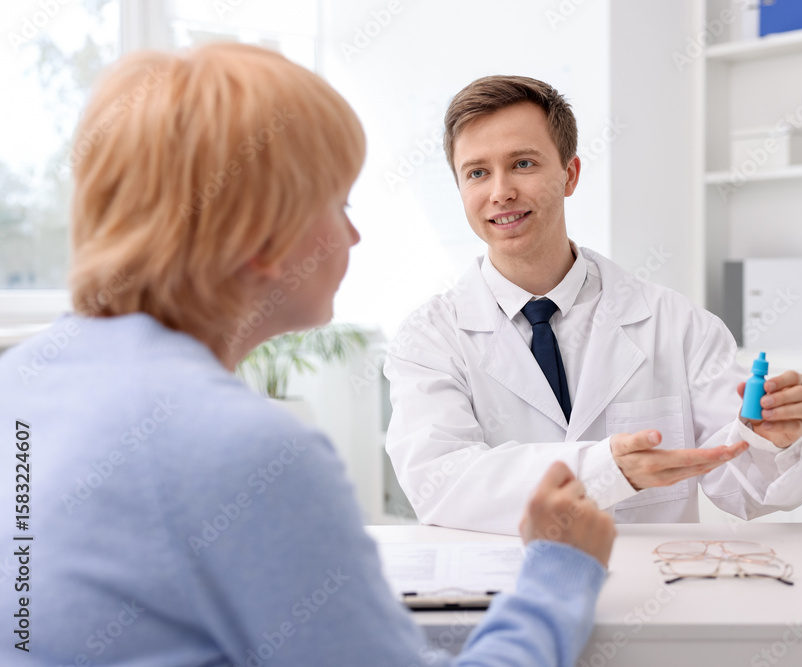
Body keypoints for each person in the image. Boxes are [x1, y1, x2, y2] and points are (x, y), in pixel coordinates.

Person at [0, 46, 616, 666]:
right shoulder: (247, 453)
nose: (353, 235)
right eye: (339, 205)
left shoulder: (21, 382)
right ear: (262, 235)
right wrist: (559, 571)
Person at [384, 75, 802, 536]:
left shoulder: (675, 324)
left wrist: (775, 443)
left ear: (570, 175)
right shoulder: (429, 338)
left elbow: (744, 486)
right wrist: (605, 469)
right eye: (477, 173)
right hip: (503, 578)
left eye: (522, 163)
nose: (500, 192)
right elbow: (441, 483)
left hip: (650, 577)